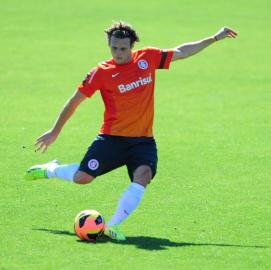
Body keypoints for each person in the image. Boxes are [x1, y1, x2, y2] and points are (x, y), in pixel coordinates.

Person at [25, 21, 238, 241]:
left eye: (123, 49)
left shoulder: (147, 58)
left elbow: (181, 52)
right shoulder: (101, 72)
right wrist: (55, 131)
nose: (118, 53)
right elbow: (74, 102)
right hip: (112, 139)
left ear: (132, 46)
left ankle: (113, 225)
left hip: (143, 141)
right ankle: (51, 169)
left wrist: (214, 38)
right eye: (114, 48)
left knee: (143, 175)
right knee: (82, 178)